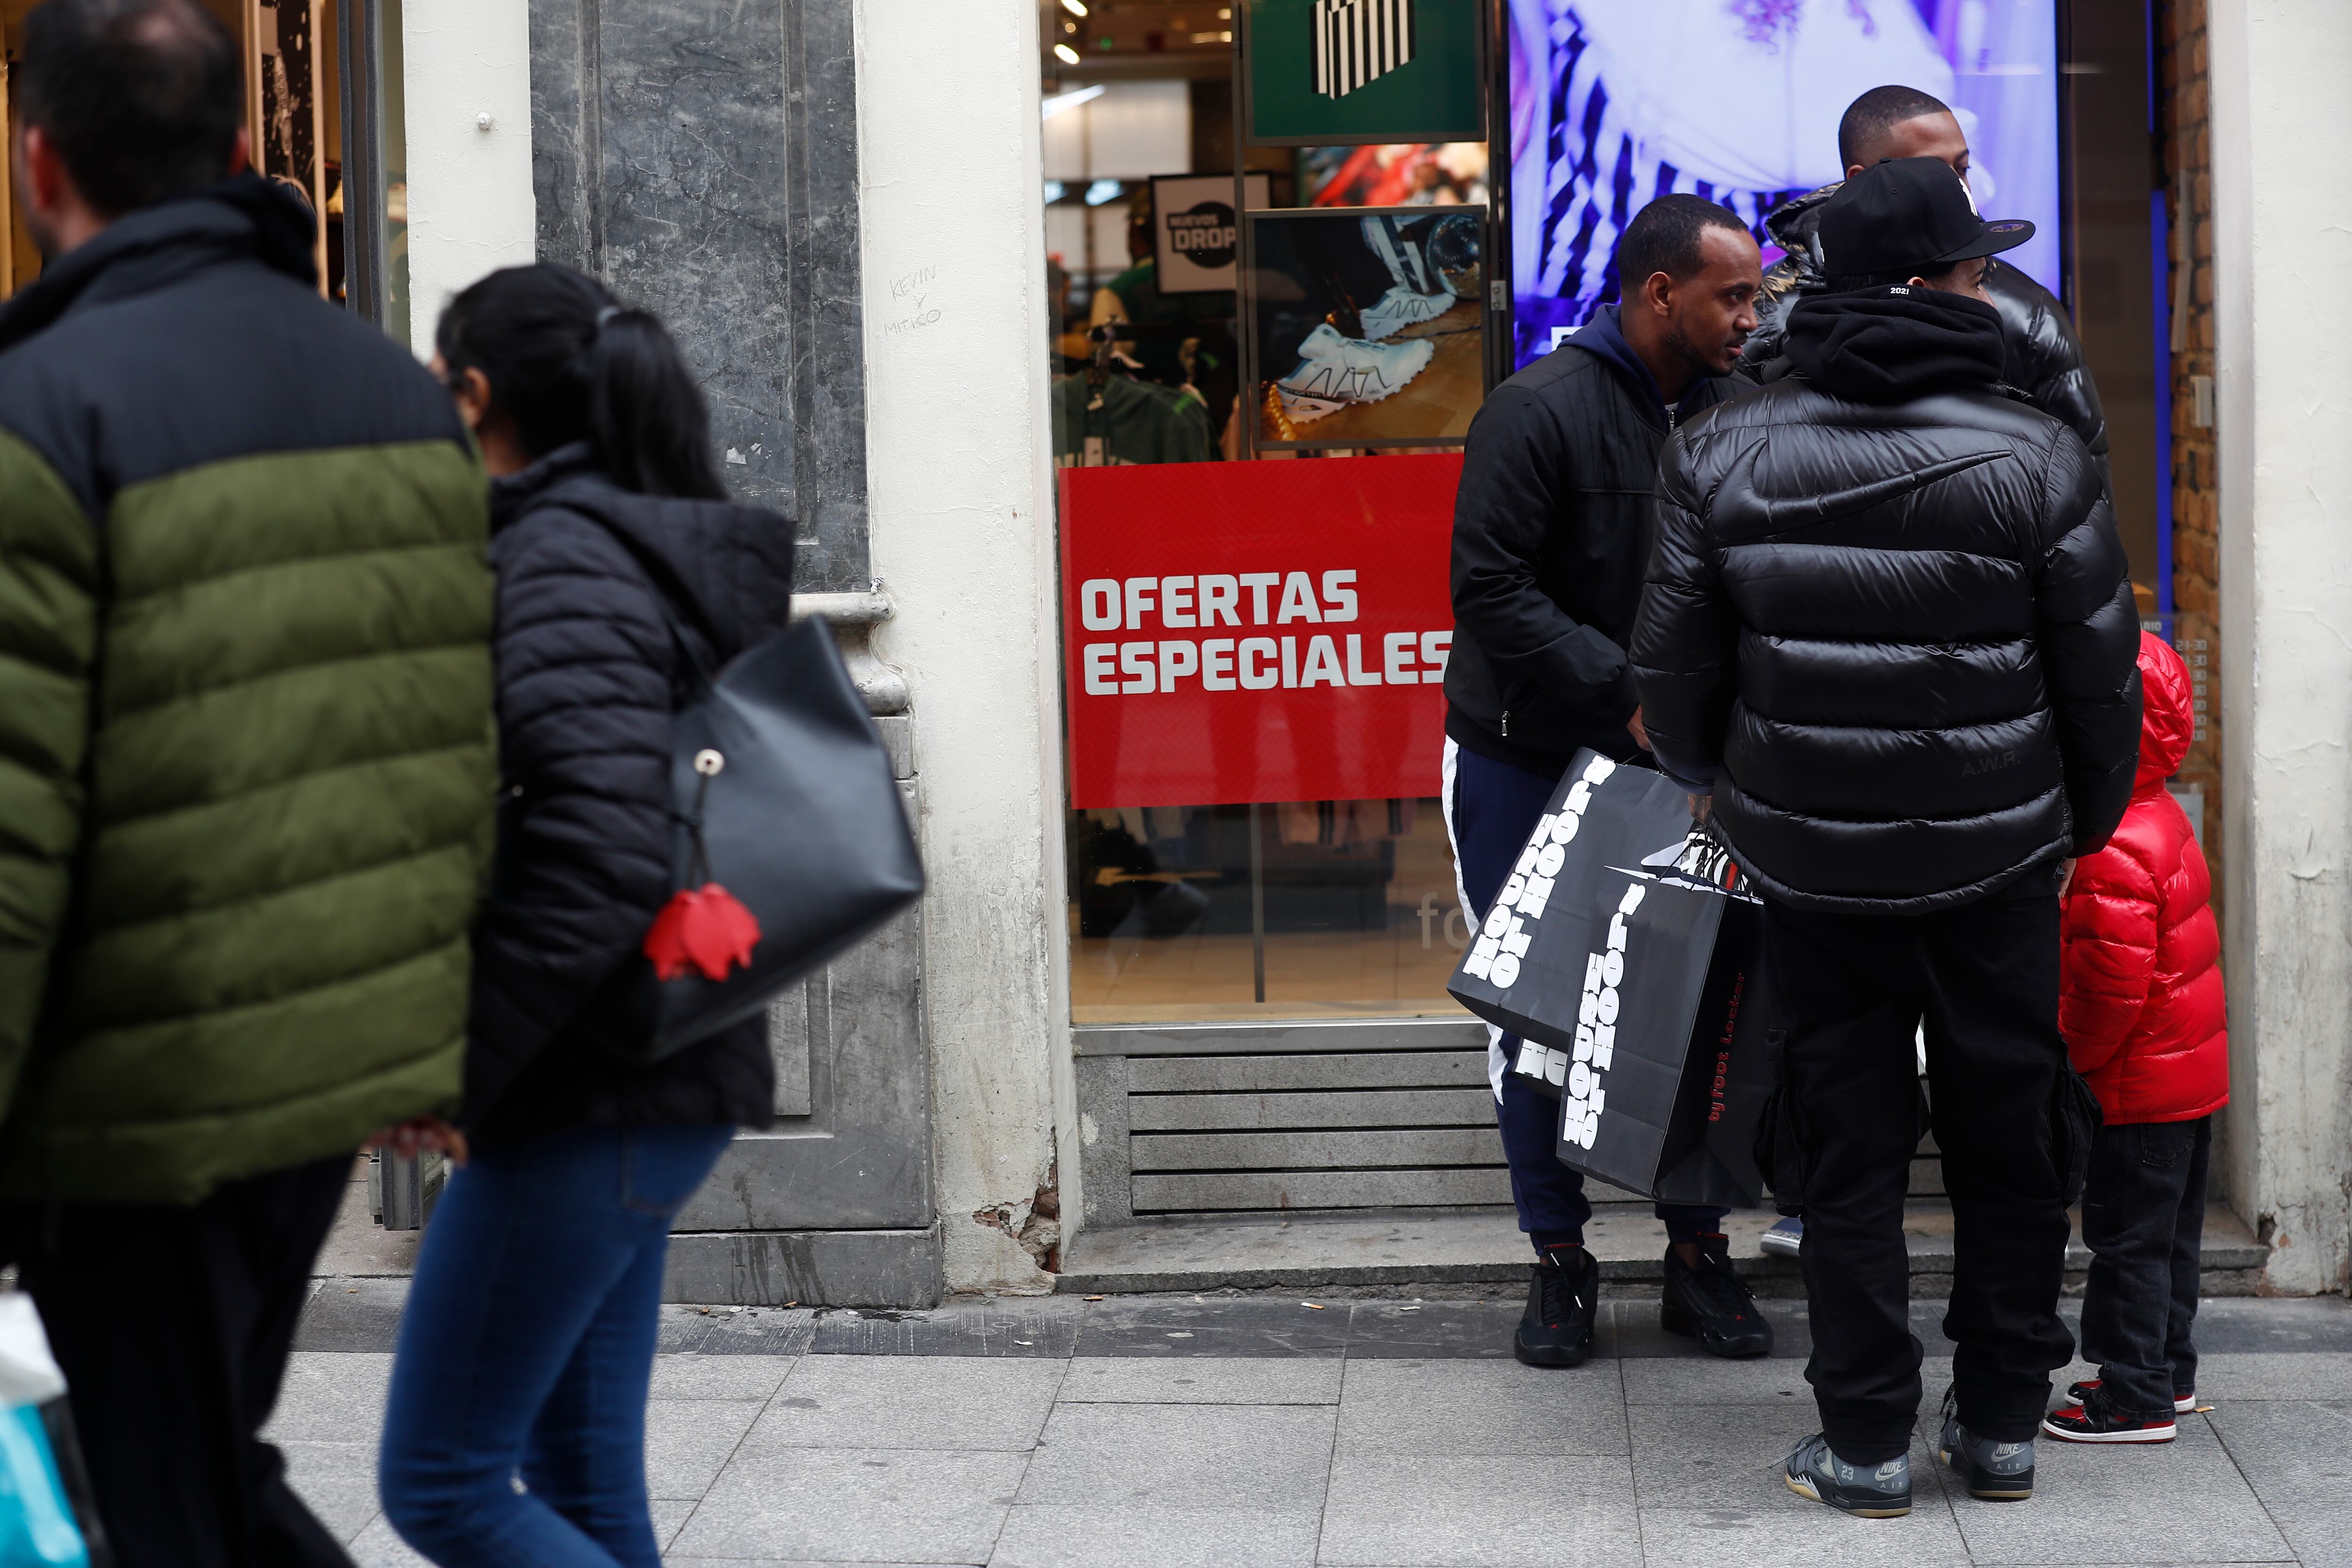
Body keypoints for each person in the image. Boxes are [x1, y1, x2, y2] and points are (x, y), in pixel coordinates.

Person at [0, 2, 493, 1563]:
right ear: (239, 153)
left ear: (37, 164)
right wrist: (428, 1038)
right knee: (197, 1462)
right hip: (320, 1077)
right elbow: (448, 750)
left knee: (169, 1493)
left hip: (133, 1092)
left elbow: (12, 823)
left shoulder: (39, 410)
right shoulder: (400, 395)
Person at [1630, 158, 2141, 1517]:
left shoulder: (1721, 444)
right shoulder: (2039, 451)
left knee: (1845, 1142)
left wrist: (1720, 786)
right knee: (2009, 1137)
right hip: (2001, 859)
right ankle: (2005, 1426)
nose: (1990, 280)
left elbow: (1673, 679)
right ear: (1936, 283)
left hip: (1812, 863)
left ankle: (1864, 1439)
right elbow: (2100, 682)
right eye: (1974, 262)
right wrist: (2075, 827)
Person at [375, 263, 790, 1568]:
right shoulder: (627, 536)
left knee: (442, 1481)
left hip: (589, 1082)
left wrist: (457, 1067)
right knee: (583, 1482)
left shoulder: (561, 556)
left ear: (476, 392)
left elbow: (597, 852)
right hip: (634, 1074)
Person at [1445, 193, 1772, 1369]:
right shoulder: (1535, 411)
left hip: (1694, 767)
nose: (1752, 313)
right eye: (1732, 294)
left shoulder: (1746, 413)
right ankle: (1558, 1260)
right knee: (1541, 1013)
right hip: (1528, 758)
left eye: (1755, 291)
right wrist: (1624, 690)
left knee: (1698, 1008)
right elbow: (1487, 588)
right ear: (1658, 294)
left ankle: (1696, 1254)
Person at [2042, 633, 2228, 1446]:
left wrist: (2069, 1067)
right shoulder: (2162, 816)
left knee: (2126, 1243)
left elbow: (2106, 990)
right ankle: (2169, 1370)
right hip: (2187, 1078)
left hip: (2136, 1088)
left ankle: (2133, 1395)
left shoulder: (2111, 840)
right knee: (2170, 1239)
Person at [1741, 84, 2109, 489]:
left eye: (1963, 168)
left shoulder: (2026, 312)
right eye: (1935, 172)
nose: (1961, 189)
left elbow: (2082, 488)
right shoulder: (1766, 309)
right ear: (1861, 180)